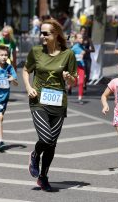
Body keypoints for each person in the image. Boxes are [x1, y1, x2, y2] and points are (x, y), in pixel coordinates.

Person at [22, 19, 77, 192]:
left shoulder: (68, 54)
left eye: (45, 33)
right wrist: (29, 87)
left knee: (52, 143)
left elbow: (74, 81)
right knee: (46, 138)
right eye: (41, 32)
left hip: (59, 103)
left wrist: (69, 79)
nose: (42, 36)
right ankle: (35, 155)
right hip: (38, 101)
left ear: (56, 35)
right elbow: (25, 70)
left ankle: (43, 177)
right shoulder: (36, 51)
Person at [70, 33, 86, 104]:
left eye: (82, 38)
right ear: (76, 39)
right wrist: (76, 57)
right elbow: (69, 56)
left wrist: (84, 53)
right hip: (75, 67)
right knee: (75, 83)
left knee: (81, 82)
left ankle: (80, 98)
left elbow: (85, 52)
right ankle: (70, 87)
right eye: (79, 38)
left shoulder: (83, 46)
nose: (81, 39)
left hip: (81, 67)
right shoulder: (74, 47)